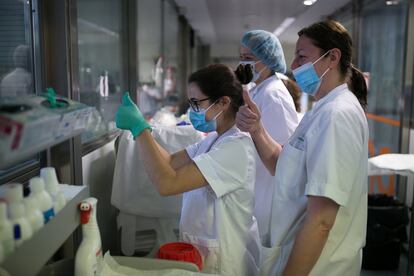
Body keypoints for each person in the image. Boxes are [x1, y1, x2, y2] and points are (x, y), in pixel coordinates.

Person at [236, 20, 368, 275]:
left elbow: (321, 221)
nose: (293, 65)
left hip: (319, 266)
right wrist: (256, 128)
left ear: (332, 57)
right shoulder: (320, 110)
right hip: (296, 254)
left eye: (301, 55)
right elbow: (281, 163)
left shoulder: (336, 116)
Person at [115, 64, 260, 275]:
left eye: (196, 103)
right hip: (206, 252)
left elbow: (168, 184)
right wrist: (144, 128)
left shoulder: (236, 147)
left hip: (224, 262)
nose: (192, 110)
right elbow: (171, 161)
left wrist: (139, 130)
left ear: (223, 102)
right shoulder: (215, 139)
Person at [235, 30, 299, 245]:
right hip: (257, 186)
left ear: (266, 60)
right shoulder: (258, 90)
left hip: (268, 193)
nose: (243, 64)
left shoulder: (274, 95)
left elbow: (284, 156)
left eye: (248, 58)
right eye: (241, 57)